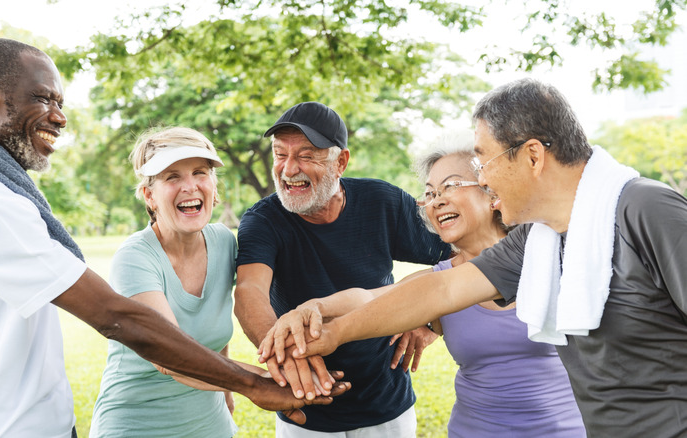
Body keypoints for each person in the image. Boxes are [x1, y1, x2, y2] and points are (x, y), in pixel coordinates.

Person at [0, 38, 346, 438]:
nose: (60, 117)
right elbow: (117, 317)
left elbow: (216, 323)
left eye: (60, 103)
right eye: (43, 98)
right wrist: (254, 383)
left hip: (35, 422)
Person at [262, 78, 687, 437]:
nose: (483, 177)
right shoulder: (538, 242)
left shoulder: (645, 209)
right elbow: (442, 289)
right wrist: (332, 329)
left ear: (532, 156)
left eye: (483, 161)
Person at [264, 129, 585, 437]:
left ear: (491, 189)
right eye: (430, 193)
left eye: (451, 186)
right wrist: (313, 307)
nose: (436, 201)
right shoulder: (438, 280)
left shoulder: (548, 252)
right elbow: (371, 299)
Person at [234, 101, 452, 436]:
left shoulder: (383, 202)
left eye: (306, 155)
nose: (289, 169)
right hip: (305, 409)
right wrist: (283, 353)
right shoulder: (262, 220)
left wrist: (432, 322)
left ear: (341, 162)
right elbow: (249, 290)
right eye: (280, 154)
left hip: (386, 403)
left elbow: (465, 252)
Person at [89, 127, 252, 437]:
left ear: (213, 185)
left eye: (200, 172)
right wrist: (257, 383)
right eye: (172, 177)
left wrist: (227, 393)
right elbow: (170, 357)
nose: (190, 186)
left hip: (210, 424)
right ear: (149, 196)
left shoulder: (224, 242)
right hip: (135, 426)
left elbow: (216, 326)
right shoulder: (135, 257)